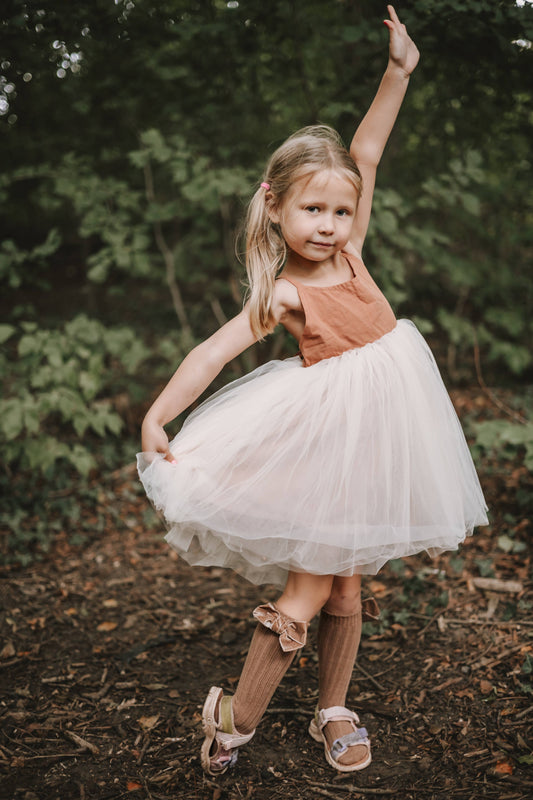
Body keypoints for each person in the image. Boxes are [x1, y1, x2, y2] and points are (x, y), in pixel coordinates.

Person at [137, 5, 488, 777]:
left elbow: (365, 148)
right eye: (312, 210)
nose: (329, 225)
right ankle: (236, 720)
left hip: (380, 439)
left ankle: (332, 708)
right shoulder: (286, 294)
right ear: (275, 206)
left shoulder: (353, 251)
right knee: (307, 589)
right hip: (327, 444)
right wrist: (159, 412)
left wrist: (397, 71)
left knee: (345, 586)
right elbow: (212, 351)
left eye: (338, 210)